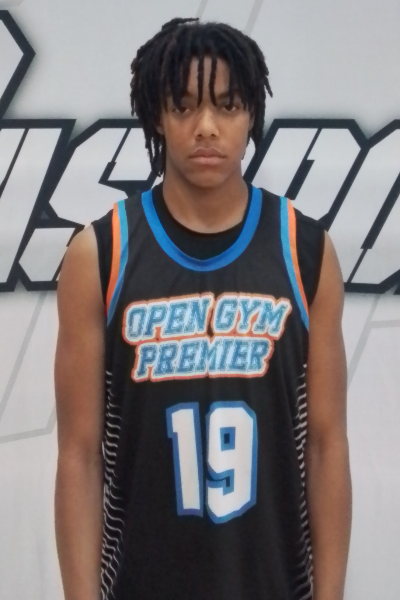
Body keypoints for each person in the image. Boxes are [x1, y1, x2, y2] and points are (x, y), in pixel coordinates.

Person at [54, 17, 351, 600]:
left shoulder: (305, 250)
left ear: (252, 114)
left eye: (228, 105)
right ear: (157, 116)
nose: (207, 126)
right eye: (184, 106)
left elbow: (325, 444)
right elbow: (79, 456)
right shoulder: (101, 254)